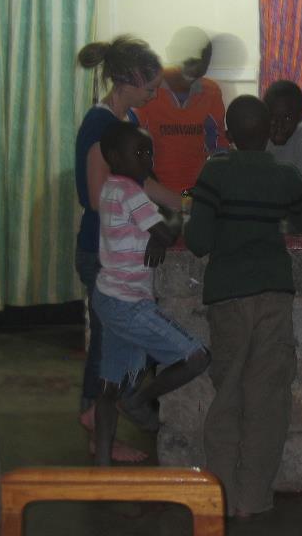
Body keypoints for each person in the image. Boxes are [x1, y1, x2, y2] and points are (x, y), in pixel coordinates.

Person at [184, 95, 302, 518]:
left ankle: (220, 499)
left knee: (228, 396)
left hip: (227, 298)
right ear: (268, 134)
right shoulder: (286, 175)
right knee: (267, 400)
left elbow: (199, 241)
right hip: (274, 297)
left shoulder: (214, 173)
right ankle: (253, 500)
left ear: (228, 134)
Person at [74, 36, 181, 462]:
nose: (154, 94)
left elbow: (142, 180)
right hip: (101, 249)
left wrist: (184, 201)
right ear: (127, 80)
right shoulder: (99, 127)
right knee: (108, 346)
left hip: (116, 246)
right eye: (149, 86)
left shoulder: (127, 117)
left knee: (109, 342)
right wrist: (150, 216)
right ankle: (95, 422)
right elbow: (98, 197)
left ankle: (98, 425)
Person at [91, 120, 210, 466]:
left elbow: (154, 232)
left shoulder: (111, 189)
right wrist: (166, 227)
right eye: (138, 152)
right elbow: (168, 232)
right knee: (196, 357)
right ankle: (139, 402)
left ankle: (101, 465)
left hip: (108, 297)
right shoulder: (130, 191)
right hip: (129, 303)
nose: (146, 158)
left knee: (108, 386)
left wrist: (158, 232)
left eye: (149, 152)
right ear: (114, 156)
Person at [135, 26, 228, 193]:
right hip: (153, 190)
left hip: (194, 191)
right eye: (190, 59)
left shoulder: (211, 92)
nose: (196, 67)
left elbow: (218, 144)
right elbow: (132, 149)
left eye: (204, 60)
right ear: (171, 53)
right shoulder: (147, 92)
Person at [263, 79, 302, 185]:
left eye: (287, 118)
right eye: (272, 118)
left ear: (300, 116)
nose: (279, 125)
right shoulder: (261, 135)